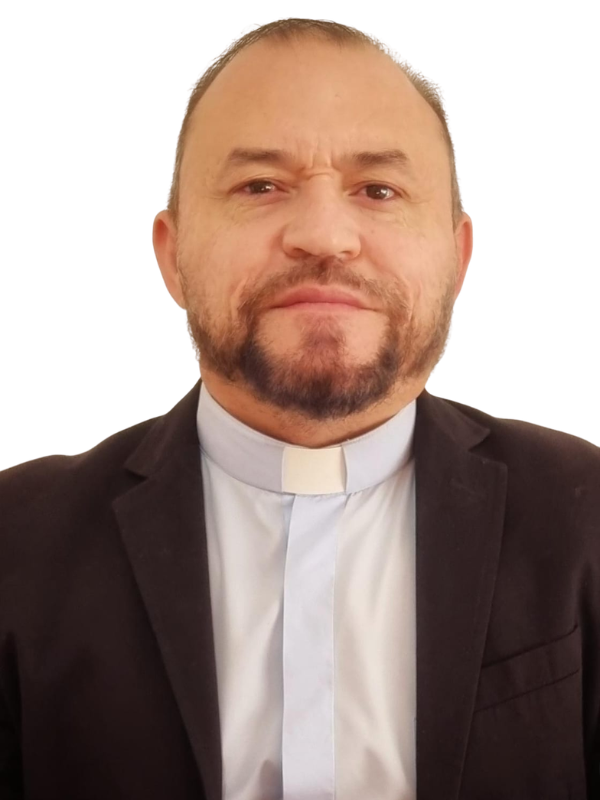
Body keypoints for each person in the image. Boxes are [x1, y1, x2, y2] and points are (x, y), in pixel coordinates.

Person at [0, 16, 598, 800]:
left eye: (378, 190)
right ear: (173, 255)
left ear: (457, 259)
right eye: (260, 186)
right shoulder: (15, 541)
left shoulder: (587, 514)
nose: (323, 235)